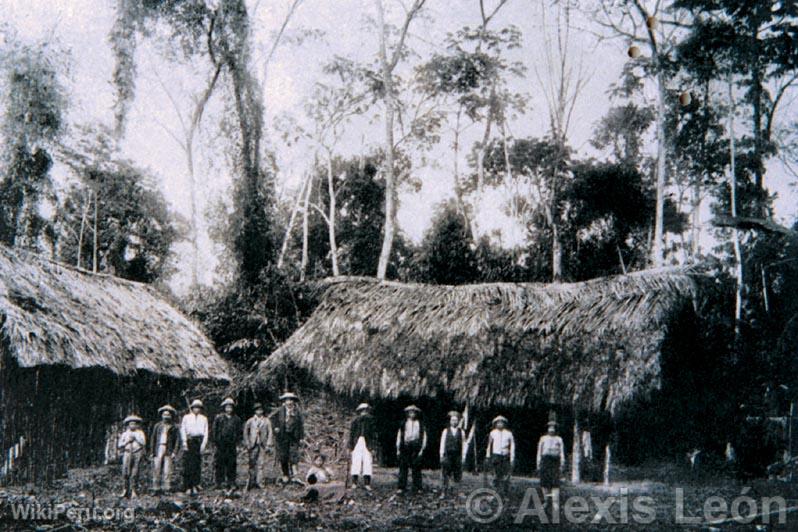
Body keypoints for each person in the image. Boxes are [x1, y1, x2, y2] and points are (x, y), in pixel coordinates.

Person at [269, 392, 304, 484]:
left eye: (291, 400)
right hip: (282, 437)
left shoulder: (297, 412)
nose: (289, 402)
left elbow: (301, 425)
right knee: (283, 456)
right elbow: (271, 419)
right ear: (284, 401)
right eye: (287, 400)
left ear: (294, 401)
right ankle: (285, 474)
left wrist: (301, 437)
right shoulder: (280, 411)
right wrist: (275, 427)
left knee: (293, 456)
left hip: (293, 437)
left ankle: (295, 476)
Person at [212, 397, 243, 491]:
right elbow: (214, 431)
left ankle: (231, 482)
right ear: (224, 408)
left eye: (230, 407)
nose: (229, 409)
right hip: (221, 444)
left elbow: (239, 433)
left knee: (231, 463)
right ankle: (219, 482)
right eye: (227, 407)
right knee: (219, 463)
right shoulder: (219, 418)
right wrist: (216, 442)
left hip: (232, 444)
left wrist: (238, 444)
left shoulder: (237, 419)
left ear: (233, 408)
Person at [180, 399, 209, 495]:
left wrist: (203, 444)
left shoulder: (204, 418)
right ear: (192, 408)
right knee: (188, 464)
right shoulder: (186, 417)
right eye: (195, 407)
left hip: (199, 442)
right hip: (189, 441)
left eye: (199, 408)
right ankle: (188, 486)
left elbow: (206, 432)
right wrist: (184, 442)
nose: (197, 409)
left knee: (197, 463)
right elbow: (183, 430)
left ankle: (196, 483)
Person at [396, 405, 427, 493]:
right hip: (405, 446)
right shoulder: (403, 423)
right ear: (408, 414)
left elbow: (424, 437)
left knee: (416, 467)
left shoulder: (420, 424)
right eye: (410, 412)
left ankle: (417, 487)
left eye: (414, 412)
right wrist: (398, 448)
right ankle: (401, 487)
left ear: (416, 414)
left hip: (416, 446)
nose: (412, 414)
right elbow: (399, 436)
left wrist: (422, 449)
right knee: (403, 467)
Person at [243, 402, 273, 490]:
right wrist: (247, 443)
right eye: (257, 410)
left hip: (262, 445)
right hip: (253, 445)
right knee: (252, 463)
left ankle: (260, 482)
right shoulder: (250, 421)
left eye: (261, 410)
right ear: (254, 411)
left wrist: (268, 444)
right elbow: (245, 432)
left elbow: (270, 432)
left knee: (261, 464)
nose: (259, 412)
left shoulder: (266, 421)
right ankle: (250, 482)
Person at [150, 405, 179, 495]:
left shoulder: (174, 427)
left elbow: (177, 440)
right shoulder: (157, 426)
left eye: (168, 415)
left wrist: (174, 451)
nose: (166, 416)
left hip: (169, 448)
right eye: (164, 414)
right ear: (162, 415)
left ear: (171, 416)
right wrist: (152, 451)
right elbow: (153, 438)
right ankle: (156, 488)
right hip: (159, 448)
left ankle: (166, 489)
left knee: (167, 469)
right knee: (156, 468)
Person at [348, 403, 377, 491]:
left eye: (366, 410)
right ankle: (354, 482)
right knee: (356, 462)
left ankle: (367, 483)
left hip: (368, 443)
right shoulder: (355, 421)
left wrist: (373, 447)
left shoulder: (371, 421)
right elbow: (351, 434)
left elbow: (374, 435)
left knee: (367, 462)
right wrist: (350, 446)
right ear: (359, 411)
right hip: (357, 442)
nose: (364, 412)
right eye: (362, 410)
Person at [536, 420, 565, 503]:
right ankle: (546, 499)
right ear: (547, 429)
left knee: (555, 480)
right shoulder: (543, 438)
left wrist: (562, 462)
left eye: (553, 428)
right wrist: (538, 462)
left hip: (555, 461)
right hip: (545, 460)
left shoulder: (559, 439)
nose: (551, 430)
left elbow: (562, 451)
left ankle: (554, 500)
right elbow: (539, 451)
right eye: (550, 428)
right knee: (544, 480)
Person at [118, 414, 146, 498]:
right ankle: (125, 490)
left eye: (134, 423)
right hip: (127, 453)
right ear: (128, 425)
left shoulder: (140, 433)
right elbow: (120, 445)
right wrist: (127, 441)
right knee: (125, 472)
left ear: (137, 425)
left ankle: (134, 490)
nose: (132, 425)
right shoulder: (125, 434)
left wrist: (136, 438)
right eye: (131, 424)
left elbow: (143, 443)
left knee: (135, 472)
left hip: (137, 452)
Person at [439, 410, 465, 498]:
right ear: (450, 421)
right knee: (445, 473)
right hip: (448, 455)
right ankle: (444, 492)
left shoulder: (461, 432)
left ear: (458, 421)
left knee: (457, 474)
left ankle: (458, 492)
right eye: (452, 420)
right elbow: (442, 443)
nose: (454, 422)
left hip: (457, 456)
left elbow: (464, 444)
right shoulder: (445, 431)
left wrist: (463, 456)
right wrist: (441, 455)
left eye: (456, 420)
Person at [486, 415, 515, 494]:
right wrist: (488, 455)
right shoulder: (493, 433)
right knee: (496, 474)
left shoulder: (509, 434)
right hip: (496, 455)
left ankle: (505, 491)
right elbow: (489, 445)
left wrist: (512, 457)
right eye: (498, 423)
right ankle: (496, 492)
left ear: (504, 424)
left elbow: (512, 446)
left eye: (501, 423)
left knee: (505, 474)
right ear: (495, 424)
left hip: (505, 456)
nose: (500, 424)